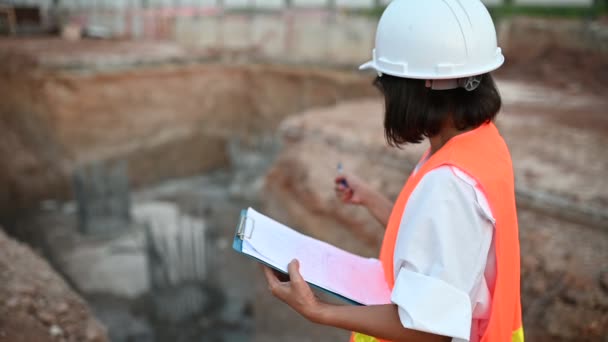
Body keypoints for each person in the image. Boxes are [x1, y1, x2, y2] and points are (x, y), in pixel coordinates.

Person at [261, 0, 524, 341]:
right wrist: (370, 199)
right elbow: (437, 243)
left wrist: (318, 310)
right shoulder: (477, 145)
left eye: (388, 87)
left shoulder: (451, 184)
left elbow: (430, 329)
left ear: (415, 89)